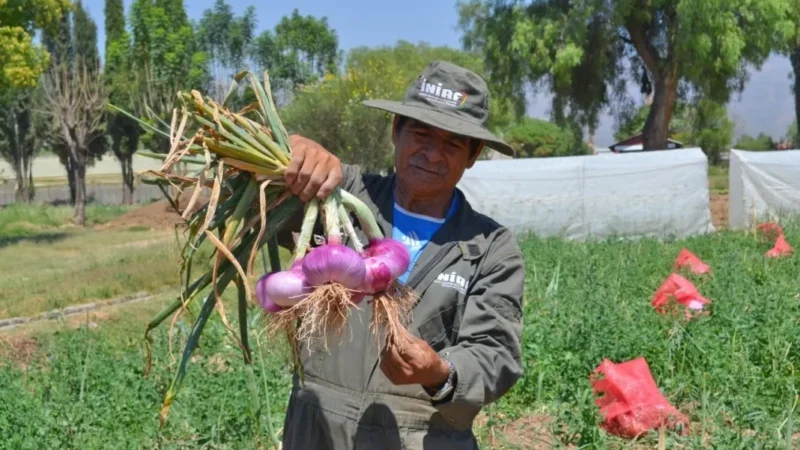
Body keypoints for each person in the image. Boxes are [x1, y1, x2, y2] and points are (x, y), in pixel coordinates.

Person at [277, 60, 525, 449]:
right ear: (396, 130)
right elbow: (242, 194)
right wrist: (288, 151)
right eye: (421, 135)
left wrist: (441, 372)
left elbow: (496, 354)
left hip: (423, 436)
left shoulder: (489, 246)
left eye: (453, 144)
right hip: (317, 430)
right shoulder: (339, 195)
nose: (432, 154)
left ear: (473, 154)